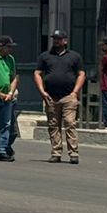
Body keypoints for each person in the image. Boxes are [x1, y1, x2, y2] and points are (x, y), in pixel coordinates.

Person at [34, 28, 85, 164]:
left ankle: (73, 153)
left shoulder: (74, 56)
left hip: (69, 96)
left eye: (59, 39)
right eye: (54, 39)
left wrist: (75, 92)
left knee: (69, 123)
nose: (56, 41)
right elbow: (37, 73)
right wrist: (42, 91)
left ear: (65, 41)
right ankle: (56, 152)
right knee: (53, 125)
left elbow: (81, 74)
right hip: (51, 96)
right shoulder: (45, 56)